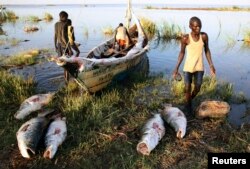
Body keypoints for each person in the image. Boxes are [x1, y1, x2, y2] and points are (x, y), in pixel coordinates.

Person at [172, 16, 216, 115]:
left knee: (198, 87)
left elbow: (207, 50)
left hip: (199, 67)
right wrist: (176, 68)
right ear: (190, 26)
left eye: (199, 26)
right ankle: (188, 107)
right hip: (188, 68)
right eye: (195, 27)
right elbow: (182, 53)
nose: (198, 29)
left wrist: (211, 65)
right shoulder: (185, 38)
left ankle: (189, 99)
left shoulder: (204, 36)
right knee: (187, 88)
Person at [54, 11, 72, 82]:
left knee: (63, 63)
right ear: (62, 17)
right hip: (65, 46)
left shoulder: (56, 24)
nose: (67, 19)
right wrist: (69, 49)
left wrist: (55, 46)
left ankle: (65, 78)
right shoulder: (64, 24)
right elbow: (64, 37)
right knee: (66, 63)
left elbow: (55, 36)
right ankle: (67, 81)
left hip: (58, 45)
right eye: (66, 17)